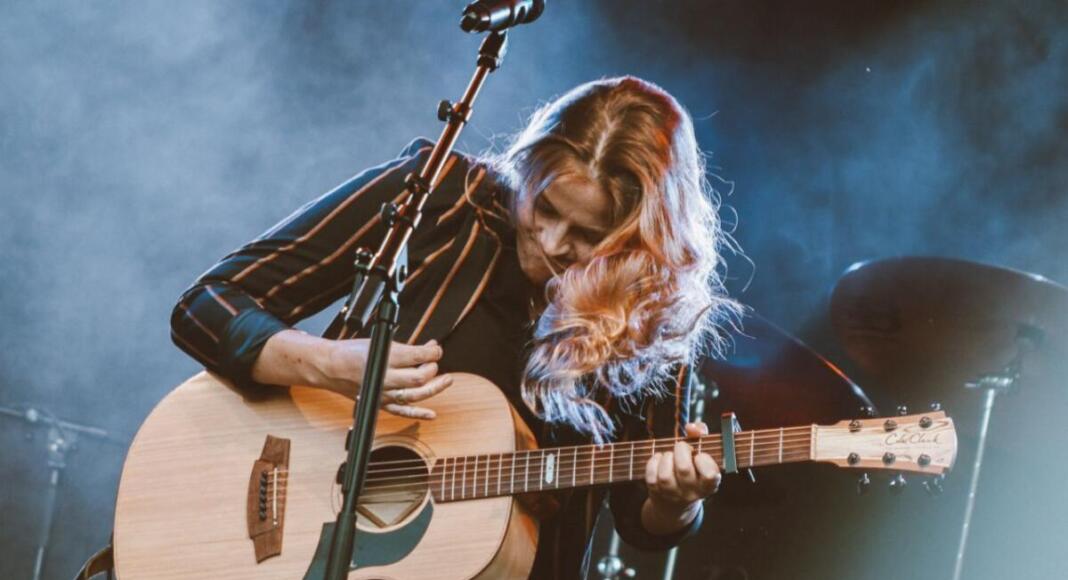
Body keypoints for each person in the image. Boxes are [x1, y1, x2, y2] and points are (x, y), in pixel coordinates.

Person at [171, 75, 741, 579]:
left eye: (587, 236)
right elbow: (206, 307)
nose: (550, 242)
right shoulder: (440, 201)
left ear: (638, 245)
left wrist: (677, 502)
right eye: (544, 207)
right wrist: (332, 365)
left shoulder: (650, 322)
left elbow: (641, 518)